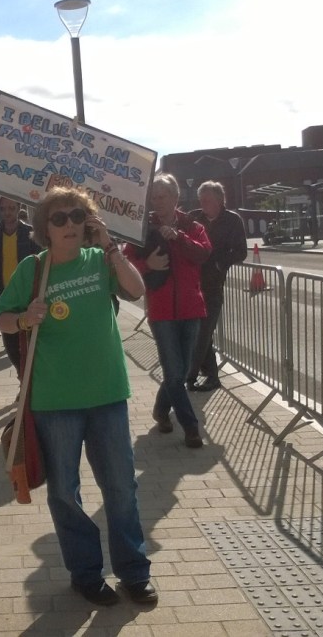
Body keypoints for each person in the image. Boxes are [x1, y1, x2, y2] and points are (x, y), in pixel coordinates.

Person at [0, 186, 154, 606]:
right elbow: (2, 321)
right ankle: (86, 573)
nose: (70, 225)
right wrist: (25, 318)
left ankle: (134, 572)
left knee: (121, 487)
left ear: (90, 223)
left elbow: (136, 290)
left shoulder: (102, 261)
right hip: (55, 400)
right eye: (60, 218)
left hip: (107, 394)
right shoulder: (33, 269)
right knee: (65, 491)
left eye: (77, 217)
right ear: (45, 228)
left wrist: (112, 248)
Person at [125, 173, 211, 448]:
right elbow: (125, 267)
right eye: (154, 197)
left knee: (181, 372)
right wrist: (147, 264)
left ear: (176, 198)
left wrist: (179, 238)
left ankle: (161, 411)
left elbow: (203, 253)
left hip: (191, 309)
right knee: (175, 372)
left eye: (163, 196)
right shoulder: (142, 230)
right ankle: (191, 427)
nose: (157, 202)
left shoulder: (192, 226)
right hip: (161, 313)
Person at [186, 181, 248, 391]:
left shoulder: (232, 220)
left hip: (213, 285)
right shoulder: (194, 217)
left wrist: (219, 262)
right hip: (192, 284)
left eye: (207, 200)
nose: (203, 205)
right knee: (202, 333)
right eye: (201, 200)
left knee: (203, 331)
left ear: (220, 201)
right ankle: (211, 376)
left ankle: (191, 375)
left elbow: (241, 251)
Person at [0, 196, 42, 378]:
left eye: (12, 208)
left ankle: (30, 382)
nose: (8, 212)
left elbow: (39, 263)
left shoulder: (30, 233)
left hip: (29, 297)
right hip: (5, 298)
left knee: (33, 343)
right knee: (11, 345)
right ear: (0, 209)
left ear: (18, 208)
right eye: (4, 208)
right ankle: (22, 377)